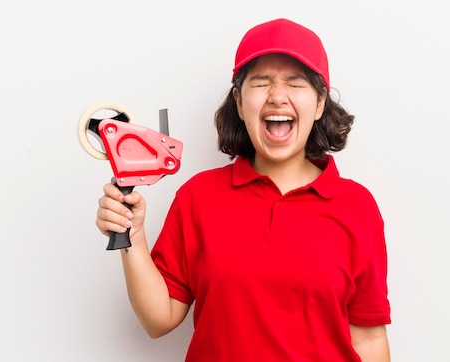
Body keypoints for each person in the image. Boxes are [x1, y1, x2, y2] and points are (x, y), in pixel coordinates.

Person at [96, 18, 391, 361]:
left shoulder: (357, 207)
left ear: (320, 102)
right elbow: (158, 320)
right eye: (261, 82)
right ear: (238, 101)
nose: (277, 96)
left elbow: (368, 340)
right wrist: (131, 235)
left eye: (295, 83)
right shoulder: (198, 197)